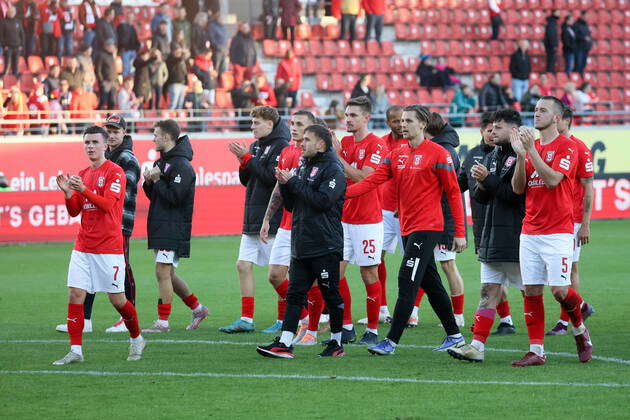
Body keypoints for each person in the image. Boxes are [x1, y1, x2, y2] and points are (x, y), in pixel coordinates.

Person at [346, 104, 467, 355]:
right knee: (431, 283)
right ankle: (455, 335)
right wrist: (341, 195)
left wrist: (460, 233)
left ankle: (390, 342)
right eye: (401, 120)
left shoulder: (438, 154)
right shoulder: (398, 153)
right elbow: (372, 180)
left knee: (406, 278)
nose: (403, 124)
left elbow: (454, 193)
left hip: (428, 227)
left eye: (408, 120)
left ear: (423, 124)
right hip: (407, 226)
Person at [52, 125, 146, 365]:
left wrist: (83, 189)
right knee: (75, 294)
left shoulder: (115, 172)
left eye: (95, 142)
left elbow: (106, 205)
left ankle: (136, 338)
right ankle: (76, 350)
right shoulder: (82, 173)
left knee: (117, 300)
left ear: (106, 145)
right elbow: (75, 211)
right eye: (87, 143)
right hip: (83, 245)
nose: (90, 146)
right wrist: (67, 194)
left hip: (108, 247)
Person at [510, 96, 593, 366]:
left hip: (558, 230)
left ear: (557, 118)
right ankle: (536, 350)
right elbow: (518, 188)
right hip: (530, 230)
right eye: (534, 110)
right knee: (531, 290)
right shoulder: (530, 148)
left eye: (543, 110)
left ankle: (580, 329)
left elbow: (553, 180)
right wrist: (521, 157)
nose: (536, 114)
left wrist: (531, 151)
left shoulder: (568, 147)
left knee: (559, 290)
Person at [256, 124, 348, 359]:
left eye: (307, 139)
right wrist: (286, 185)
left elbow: (322, 202)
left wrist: (294, 183)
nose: (301, 143)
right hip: (302, 242)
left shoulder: (334, 169)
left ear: (321, 144)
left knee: (330, 295)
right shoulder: (304, 165)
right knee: (296, 295)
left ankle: (336, 343)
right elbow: (291, 205)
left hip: (325, 244)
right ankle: (285, 343)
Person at [447, 109, 525, 363]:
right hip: (491, 233)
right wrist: (481, 182)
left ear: (513, 131)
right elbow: (481, 197)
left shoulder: (523, 157)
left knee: (541, 291)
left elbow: (514, 196)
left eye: (498, 128)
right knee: (488, 290)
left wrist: (488, 179)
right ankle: (477, 346)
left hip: (518, 235)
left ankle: (576, 324)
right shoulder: (490, 155)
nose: (492, 131)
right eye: (490, 127)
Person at [220, 106, 290, 333]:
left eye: (256, 123)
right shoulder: (256, 146)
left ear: (270, 124)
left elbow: (271, 178)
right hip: (252, 215)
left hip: (271, 217)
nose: (252, 127)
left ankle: (284, 318)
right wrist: (243, 161)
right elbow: (247, 180)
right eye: (251, 123)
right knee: (242, 265)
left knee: (278, 272)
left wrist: (248, 158)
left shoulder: (282, 146)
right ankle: (246, 319)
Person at [331, 96, 389, 346]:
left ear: (366, 117)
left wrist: (337, 157)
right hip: (343, 218)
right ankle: (346, 326)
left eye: (353, 115)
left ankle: (373, 330)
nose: (348, 119)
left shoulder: (376, 145)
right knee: (335, 274)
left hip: (367, 220)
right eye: (346, 114)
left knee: (368, 273)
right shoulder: (344, 142)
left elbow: (364, 178)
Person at [141, 120, 209, 332]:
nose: (153, 138)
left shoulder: (182, 165)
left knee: (162, 272)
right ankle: (197, 309)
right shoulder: (163, 162)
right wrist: (149, 183)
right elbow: (157, 197)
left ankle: (162, 322)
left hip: (173, 226)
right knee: (168, 274)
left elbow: (175, 198)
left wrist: (159, 181)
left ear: (167, 137)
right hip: (160, 225)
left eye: (156, 134)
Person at [258, 110, 317, 335]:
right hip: (285, 225)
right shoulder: (286, 151)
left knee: (309, 281)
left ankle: (313, 326)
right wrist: (267, 218)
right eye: (292, 123)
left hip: (307, 225)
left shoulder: (315, 154)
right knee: (275, 275)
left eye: (299, 124)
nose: (293, 127)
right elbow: (279, 187)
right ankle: (305, 317)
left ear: (311, 128)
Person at [546, 107, 595, 336]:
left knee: (569, 270)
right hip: (553, 220)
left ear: (566, 121)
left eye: (559, 119)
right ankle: (581, 307)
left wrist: (585, 222)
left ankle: (565, 321)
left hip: (572, 219)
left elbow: (588, 186)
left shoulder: (580, 148)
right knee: (558, 272)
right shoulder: (549, 146)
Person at [356, 105, 406, 327]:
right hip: (384, 210)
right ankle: (382, 309)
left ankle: (412, 310)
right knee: (377, 259)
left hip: (408, 210)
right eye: (395, 120)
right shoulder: (382, 143)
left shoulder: (413, 143)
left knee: (413, 261)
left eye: (402, 120)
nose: (400, 124)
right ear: (388, 122)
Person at [418, 113, 466, 327]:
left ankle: (458, 315)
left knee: (447, 264)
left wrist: (456, 229)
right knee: (423, 265)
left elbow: (451, 192)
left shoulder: (444, 152)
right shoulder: (442, 148)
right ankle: (413, 311)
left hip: (443, 218)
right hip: (430, 216)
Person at [230, 23, 258, 87]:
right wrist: (234, 63)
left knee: (248, 82)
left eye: (247, 27)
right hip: (239, 64)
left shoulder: (251, 38)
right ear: (241, 28)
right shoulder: (236, 38)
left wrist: (254, 62)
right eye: (244, 27)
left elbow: (254, 50)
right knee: (238, 82)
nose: (245, 29)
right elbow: (232, 51)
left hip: (249, 64)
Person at [0, 6, 25, 78]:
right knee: (7, 64)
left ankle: (15, 79)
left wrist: (21, 45)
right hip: (8, 47)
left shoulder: (18, 22)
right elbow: (1, 36)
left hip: (17, 47)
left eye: (13, 12)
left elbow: (22, 34)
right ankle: (5, 79)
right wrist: (4, 46)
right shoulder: (3, 22)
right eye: (10, 12)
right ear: (7, 13)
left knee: (15, 65)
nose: (11, 13)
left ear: (15, 13)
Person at [95, 38, 118, 110]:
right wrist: (102, 81)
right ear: (106, 46)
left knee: (112, 102)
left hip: (113, 82)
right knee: (103, 101)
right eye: (112, 46)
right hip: (106, 82)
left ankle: (109, 119)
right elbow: (98, 70)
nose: (113, 47)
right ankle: (98, 118)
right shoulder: (101, 55)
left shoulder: (111, 55)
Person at [165, 45, 189, 110]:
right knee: (173, 104)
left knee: (180, 105)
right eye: (177, 51)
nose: (179, 53)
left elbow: (185, 73)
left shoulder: (182, 61)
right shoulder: (170, 59)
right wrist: (183, 53)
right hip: (174, 84)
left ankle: (178, 120)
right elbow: (179, 59)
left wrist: (186, 83)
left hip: (182, 84)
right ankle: (169, 119)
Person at [207, 12, 228, 77]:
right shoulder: (212, 26)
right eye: (222, 18)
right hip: (217, 51)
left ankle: (221, 82)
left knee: (223, 69)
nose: (224, 20)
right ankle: (215, 82)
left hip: (224, 50)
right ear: (218, 18)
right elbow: (211, 38)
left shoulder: (223, 26)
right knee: (216, 68)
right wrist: (217, 47)